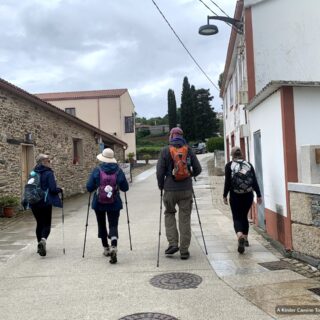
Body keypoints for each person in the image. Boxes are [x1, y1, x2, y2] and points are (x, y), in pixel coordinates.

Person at [157, 127, 202, 260]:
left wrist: (161, 185)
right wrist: (189, 174)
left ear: (171, 136)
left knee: (169, 213)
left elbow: (160, 171)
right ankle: (184, 250)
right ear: (182, 136)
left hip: (170, 189)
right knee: (185, 219)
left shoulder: (165, 150)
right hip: (186, 189)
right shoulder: (189, 150)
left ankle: (172, 244)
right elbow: (198, 169)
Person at [86, 148, 129, 264]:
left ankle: (106, 248)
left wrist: (96, 185)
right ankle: (114, 246)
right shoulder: (119, 171)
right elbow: (125, 188)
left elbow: (89, 187)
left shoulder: (97, 170)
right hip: (114, 203)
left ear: (103, 158)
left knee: (102, 224)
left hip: (99, 203)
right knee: (113, 225)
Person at [223, 146, 262, 254]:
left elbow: (227, 182)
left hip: (235, 195)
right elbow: (254, 181)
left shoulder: (229, 166)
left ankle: (239, 235)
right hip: (248, 195)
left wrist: (224, 195)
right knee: (244, 216)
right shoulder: (248, 165)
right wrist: (258, 195)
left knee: (237, 217)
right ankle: (245, 239)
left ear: (232, 155)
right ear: (242, 154)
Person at [29, 154, 62, 257]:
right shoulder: (49, 173)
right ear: (43, 162)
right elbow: (52, 189)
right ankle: (43, 241)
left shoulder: (33, 173)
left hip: (34, 202)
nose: (50, 162)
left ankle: (39, 244)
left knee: (39, 223)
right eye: (48, 160)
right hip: (45, 202)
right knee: (47, 224)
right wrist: (60, 190)